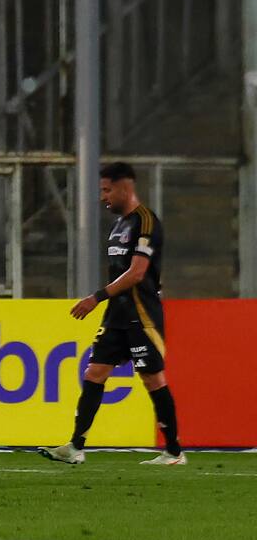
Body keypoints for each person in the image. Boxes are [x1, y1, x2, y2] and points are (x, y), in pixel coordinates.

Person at [38, 162, 186, 466]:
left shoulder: (146, 222)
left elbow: (137, 273)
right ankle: (75, 446)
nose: (102, 196)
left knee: (152, 379)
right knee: (94, 373)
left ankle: (173, 451)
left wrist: (96, 297)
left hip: (142, 315)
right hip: (117, 315)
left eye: (107, 190)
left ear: (125, 188)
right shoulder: (119, 225)